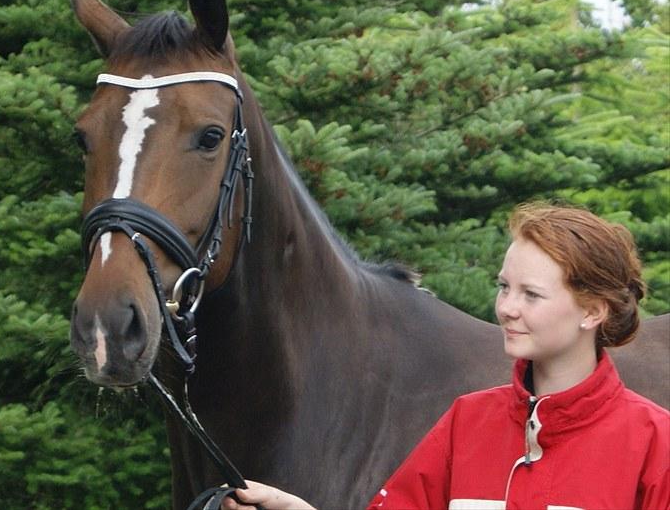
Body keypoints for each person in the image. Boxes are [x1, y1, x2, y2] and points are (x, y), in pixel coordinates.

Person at [222, 203, 670, 510]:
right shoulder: (466, 422)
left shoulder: (654, 441)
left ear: (592, 311)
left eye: (531, 294)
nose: (507, 307)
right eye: (504, 287)